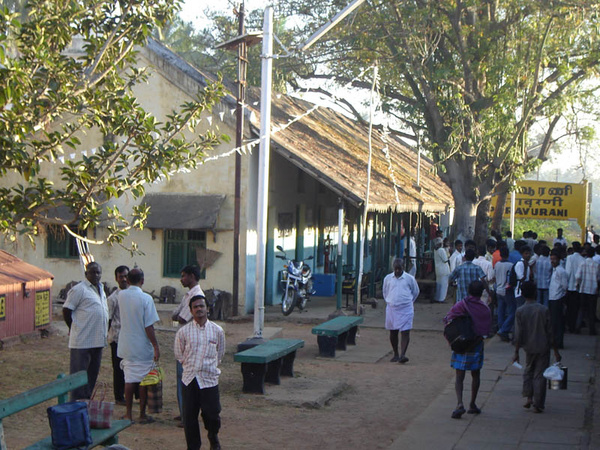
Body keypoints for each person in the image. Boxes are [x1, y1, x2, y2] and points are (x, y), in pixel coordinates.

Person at [175, 295, 225, 450]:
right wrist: (191, 366)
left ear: (207, 309)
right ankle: (193, 446)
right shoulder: (183, 332)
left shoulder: (217, 331)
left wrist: (208, 366)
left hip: (209, 379)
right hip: (189, 379)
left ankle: (213, 437)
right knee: (189, 417)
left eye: (202, 306)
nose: (199, 309)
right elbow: (179, 354)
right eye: (195, 307)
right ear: (190, 311)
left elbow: (220, 353)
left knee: (212, 413)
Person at [118, 268, 160, 423]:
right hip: (142, 345)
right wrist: (155, 345)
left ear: (127, 280)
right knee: (143, 380)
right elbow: (149, 325)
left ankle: (128, 413)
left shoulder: (121, 295)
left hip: (126, 343)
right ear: (142, 281)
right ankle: (142, 414)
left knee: (129, 379)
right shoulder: (146, 298)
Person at [444, 281, 491, 419]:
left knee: (459, 376)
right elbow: (486, 331)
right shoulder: (485, 308)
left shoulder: (461, 304)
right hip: (476, 345)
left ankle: (459, 403)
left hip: (461, 345)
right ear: (481, 292)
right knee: (475, 375)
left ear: (469, 291)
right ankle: (472, 404)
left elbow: (447, 318)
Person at [513, 281, 562, 413]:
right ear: (535, 293)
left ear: (522, 294)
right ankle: (538, 403)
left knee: (528, 371)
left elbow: (518, 334)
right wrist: (556, 351)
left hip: (528, 347)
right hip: (543, 346)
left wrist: (516, 352)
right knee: (539, 375)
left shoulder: (520, 311)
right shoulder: (543, 309)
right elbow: (550, 333)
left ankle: (529, 397)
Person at [62, 261, 108, 401]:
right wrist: (73, 327)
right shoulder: (79, 289)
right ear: (86, 273)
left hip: (98, 341)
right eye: (92, 272)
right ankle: (75, 404)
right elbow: (66, 310)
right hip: (82, 342)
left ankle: (86, 403)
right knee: (79, 376)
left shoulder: (101, 288)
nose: (96, 275)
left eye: (98, 272)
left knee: (92, 375)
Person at [171, 265, 205, 425]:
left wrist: (178, 316)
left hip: (190, 343)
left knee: (187, 380)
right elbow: (174, 314)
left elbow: (182, 317)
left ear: (192, 276)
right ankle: (184, 412)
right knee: (182, 379)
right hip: (183, 340)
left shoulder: (197, 296)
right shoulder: (188, 295)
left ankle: (188, 415)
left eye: (184, 276)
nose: (181, 279)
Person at [383, 258, 420, 363]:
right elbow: (385, 292)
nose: (398, 271)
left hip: (406, 308)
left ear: (403, 268)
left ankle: (403, 354)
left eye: (399, 269)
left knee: (405, 331)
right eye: (396, 269)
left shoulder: (410, 279)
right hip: (392, 308)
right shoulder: (388, 278)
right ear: (393, 268)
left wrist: (408, 302)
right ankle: (395, 353)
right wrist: (391, 301)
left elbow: (415, 292)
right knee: (393, 332)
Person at [107, 265, 129, 405]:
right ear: (116, 278)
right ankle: (119, 396)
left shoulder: (133, 295)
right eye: (121, 277)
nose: (124, 279)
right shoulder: (113, 298)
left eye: (126, 276)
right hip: (117, 338)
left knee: (131, 367)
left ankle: (133, 395)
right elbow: (108, 319)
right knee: (118, 368)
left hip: (131, 338)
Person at [575, 247, 600, 335]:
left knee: (582, 309)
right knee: (591, 311)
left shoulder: (582, 263)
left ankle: (577, 327)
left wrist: (577, 285)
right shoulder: (596, 265)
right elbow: (598, 278)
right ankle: (592, 330)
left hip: (583, 289)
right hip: (592, 290)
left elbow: (578, 276)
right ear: (593, 254)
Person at [549, 249, 568, 349]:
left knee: (558, 322)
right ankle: (555, 340)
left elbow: (565, 286)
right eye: (551, 259)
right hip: (552, 297)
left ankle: (558, 342)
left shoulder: (561, 271)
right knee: (554, 322)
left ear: (559, 260)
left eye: (554, 259)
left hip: (558, 298)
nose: (552, 261)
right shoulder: (554, 270)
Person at [495, 247, 514, 342]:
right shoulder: (510, 265)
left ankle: (501, 328)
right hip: (507, 290)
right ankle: (503, 329)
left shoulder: (497, 264)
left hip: (498, 289)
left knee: (501, 311)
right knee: (512, 312)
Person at [565, 242, 584, 333]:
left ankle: (570, 325)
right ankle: (576, 326)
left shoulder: (569, 258)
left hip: (569, 286)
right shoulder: (582, 259)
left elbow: (567, 272)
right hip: (578, 287)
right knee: (576, 308)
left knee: (569, 308)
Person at [433, 237, 450, 303]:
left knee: (439, 284)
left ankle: (437, 297)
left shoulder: (435, 250)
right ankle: (441, 299)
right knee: (444, 285)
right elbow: (445, 260)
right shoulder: (441, 250)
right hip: (444, 270)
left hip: (438, 270)